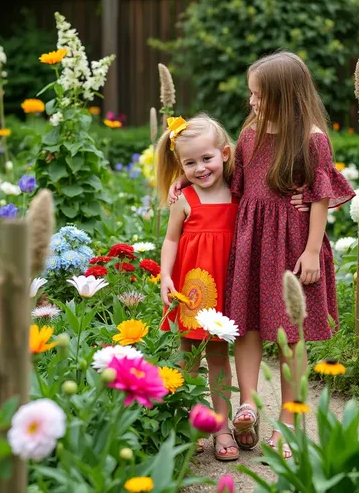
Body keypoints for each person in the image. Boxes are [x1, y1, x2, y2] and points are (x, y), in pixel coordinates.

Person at [226, 51, 355, 458]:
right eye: (251, 94)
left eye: (259, 96)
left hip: (293, 247)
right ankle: (247, 404)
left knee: (289, 334)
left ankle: (289, 419)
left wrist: (314, 251)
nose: (252, 102)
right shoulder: (250, 134)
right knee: (244, 325)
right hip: (252, 244)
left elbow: (319, 198)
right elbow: (234, 182)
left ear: (285, 95)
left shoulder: (312, 138)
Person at [157, 113, 240, 461]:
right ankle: (192, 423)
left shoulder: (239, 191)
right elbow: (171, 240)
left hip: (224, 287)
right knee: (188, 358)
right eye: (190, 163)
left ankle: (221, 426)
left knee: (219, 357)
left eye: (206, 158)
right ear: (180, 165)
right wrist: (165, 276)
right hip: (191, 289)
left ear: (224, 152)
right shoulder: (185, 199)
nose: (200, 168)